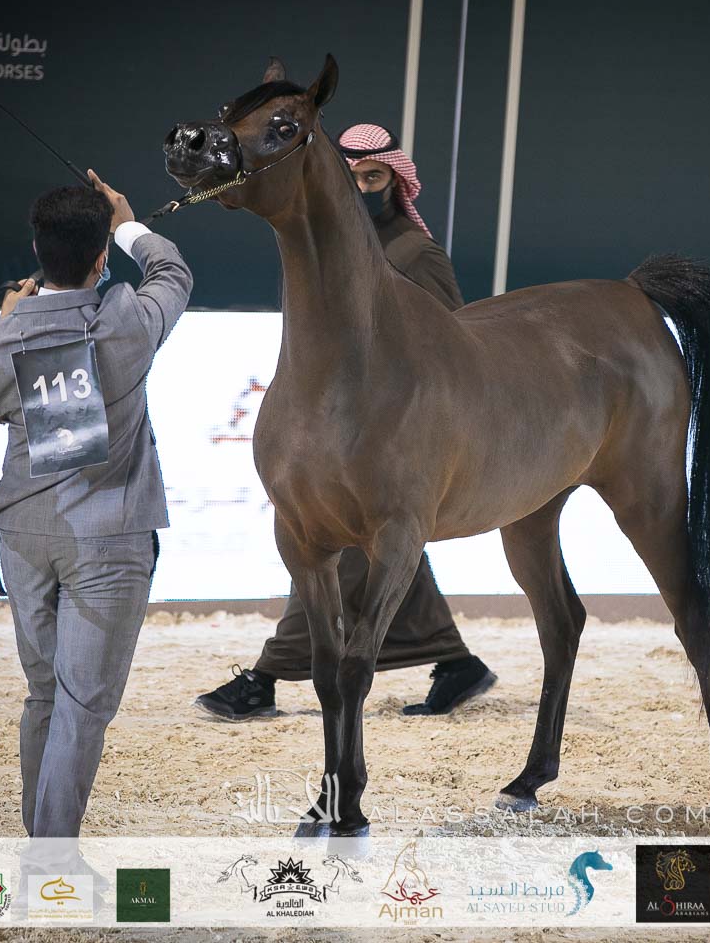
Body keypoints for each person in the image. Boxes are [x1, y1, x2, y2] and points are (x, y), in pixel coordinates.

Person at [195, 123, 495, 721]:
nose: (362, 189)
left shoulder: (414, 252)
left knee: (337, 551)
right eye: (352, 177)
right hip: (336, 428)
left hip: (393, 435)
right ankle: (453, 658)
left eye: (374, 177)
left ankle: (265, 677)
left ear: (395, 181)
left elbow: (455, 339)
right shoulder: (330, 248)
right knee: (380, 550)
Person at [0, 171, 192, 838]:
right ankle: (51, 857)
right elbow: (172, 271)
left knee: (46, 696)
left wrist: (6, 327)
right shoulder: (127, 321)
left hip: (25, 536)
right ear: (102, 255)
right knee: (81, 707)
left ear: (36, 248)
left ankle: (43, 845)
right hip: (109, 537)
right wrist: (128, 222)